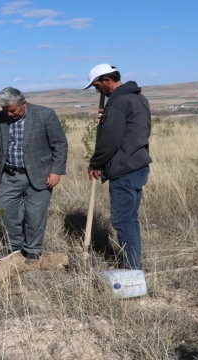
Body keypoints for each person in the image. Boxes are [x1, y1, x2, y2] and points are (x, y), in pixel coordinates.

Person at [0, 87, 68, 264]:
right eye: (5, 111)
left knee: (35, 215)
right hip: (9, 174)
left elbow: (60, 144)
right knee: (6, 210)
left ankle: (33, 248)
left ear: (23, 103)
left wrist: (56, 170)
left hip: (40, 174)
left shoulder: (45, 115)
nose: (9, 114)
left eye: (13, 110)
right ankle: (15, 243)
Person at [84, 64, 152, 270]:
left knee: (122, 221)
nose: (97, 90)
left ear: (107, 81)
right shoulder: (138, 97)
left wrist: (96, 163)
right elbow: (130, 127)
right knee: (130, 219)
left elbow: (110, 140)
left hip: (124, 168)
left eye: (97, 85)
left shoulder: (118, 102)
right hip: (139, 165)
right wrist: (108, 118)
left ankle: (132, 269)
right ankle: (134, 265)